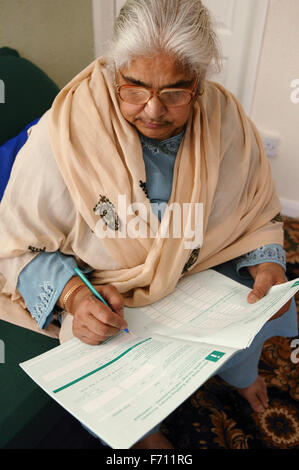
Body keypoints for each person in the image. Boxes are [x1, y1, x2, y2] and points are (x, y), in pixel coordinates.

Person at [0, 0, 297, 449]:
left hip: (201, 268)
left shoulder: (225, 118)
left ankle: (241, 375)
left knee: (250, 310)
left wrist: (266, 265)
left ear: (199, 82)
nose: (153, 110)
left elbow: (254, 211)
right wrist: (76, 297)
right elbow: (19, 243)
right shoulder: (62, 135)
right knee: (113, 386)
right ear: (114, 72)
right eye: (134, 89)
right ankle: (141, 434)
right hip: (106, 288)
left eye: (175, 92)